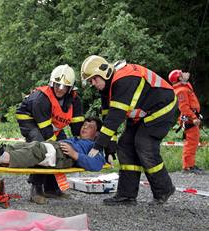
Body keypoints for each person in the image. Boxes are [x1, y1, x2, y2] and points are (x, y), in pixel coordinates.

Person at [81, 55, 176, 206]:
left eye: (93, 79)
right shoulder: (107, 87)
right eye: (90, 81)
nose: (92, 83)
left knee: (144, 144)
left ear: (104, 73)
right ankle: (126, 195)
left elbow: (115, 118)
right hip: (142, 113)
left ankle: (164, 189)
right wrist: (110, 149)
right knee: (125, 145)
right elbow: (108, 120)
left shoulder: (124, 79)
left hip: (162, 109)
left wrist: (98, 146)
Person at [16, 64, 84, 204]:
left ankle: (51, 188)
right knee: (43, 149)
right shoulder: (41, 99)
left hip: (51, 124)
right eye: (57, 84)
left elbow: (77, 127)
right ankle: (36, 190)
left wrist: (81, 144)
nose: (60, 89)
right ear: (52, 83)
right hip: (31, 121)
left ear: (70, 88)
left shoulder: (75, 101)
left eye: (64, 86)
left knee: (63, 150)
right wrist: (55, 145)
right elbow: (46, 131)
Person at [0, 118, 105, 172]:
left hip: (64, 157)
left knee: (36, 150)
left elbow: (97, 165)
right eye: (84, 124)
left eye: (90, 126)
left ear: (97, 134)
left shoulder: (94, 147)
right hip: (56, 148)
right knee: (26, 145)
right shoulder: (76, 139)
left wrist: (76, 154)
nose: (84, 127)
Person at [168, 69, 205, 174]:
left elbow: (186, 83)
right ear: (179, 78)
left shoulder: (184, 87)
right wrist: (193, 118)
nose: (184, 73)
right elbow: (183, 107)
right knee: (191, 144)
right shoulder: (181, 91)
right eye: (181, 73)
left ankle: (190, 165)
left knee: (192, 143)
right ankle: (188, 167)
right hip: (190, 120)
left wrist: (184, 79)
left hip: (191, 119)